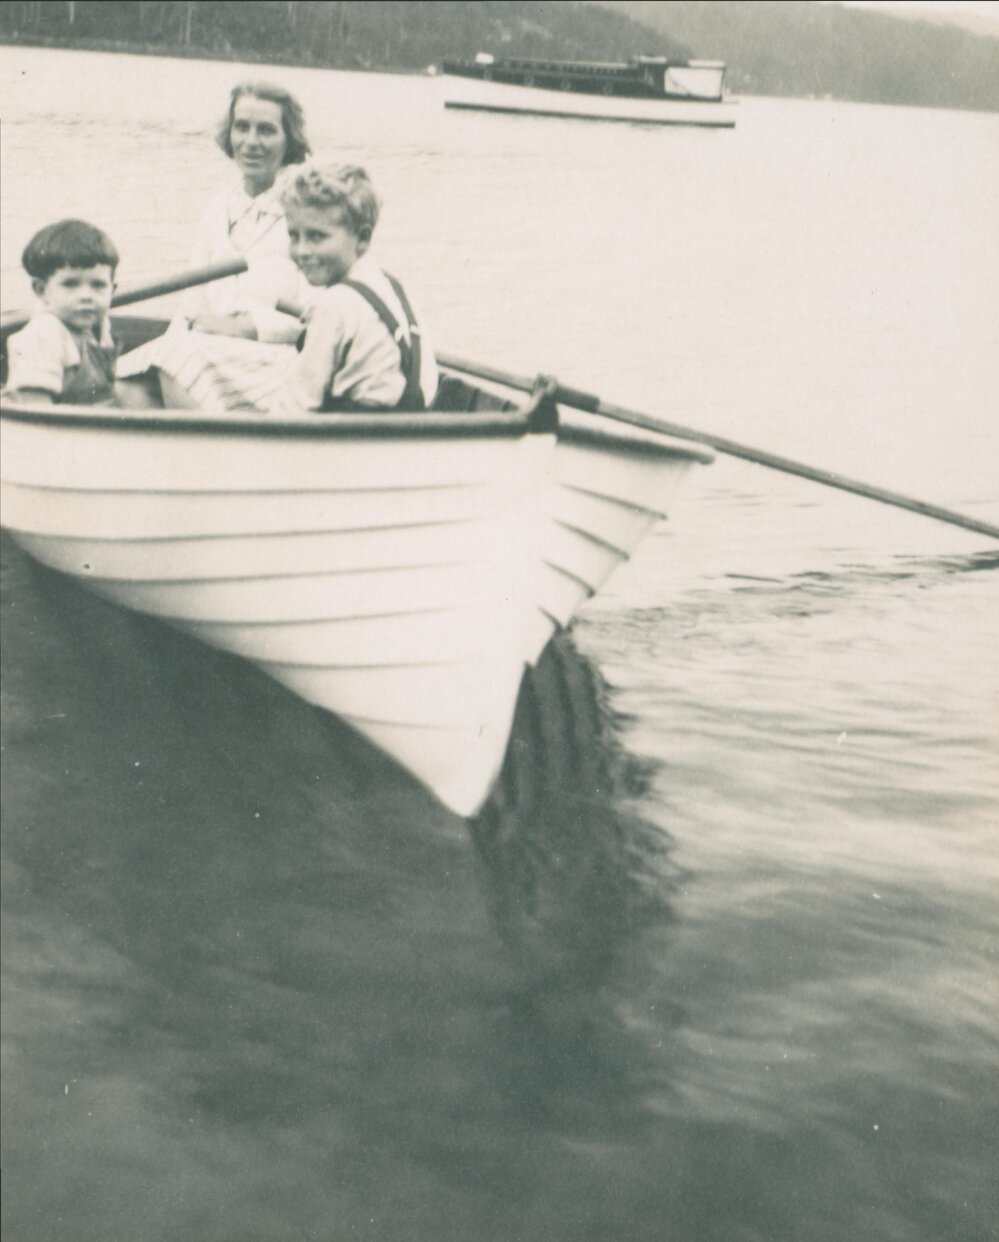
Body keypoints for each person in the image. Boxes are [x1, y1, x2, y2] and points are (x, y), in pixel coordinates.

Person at [279, 161, 438, 413]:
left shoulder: (335, 304)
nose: (302, 250)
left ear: (362, 238)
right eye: (293, 235)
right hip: (407, 428)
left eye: (317, 236)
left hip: (355, 440)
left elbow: (295, 405)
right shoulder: (390, 285)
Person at [181, 80, 317, 343]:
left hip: (275, 353)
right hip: (211, 348)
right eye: (242, 127)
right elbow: (192, 303)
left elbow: (319, 315)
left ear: (289, 140)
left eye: (266, 130)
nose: (251, 142)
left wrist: (245, 328)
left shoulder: (307, 209)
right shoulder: (217, 208)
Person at [3, 219, 119, 405]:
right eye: (70, 284)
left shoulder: (99, 322)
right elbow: (35, 408)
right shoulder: (44, 333)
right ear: (41, 289)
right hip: (53, 426)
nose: (86, 296)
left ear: (112, 290)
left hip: (91, 415)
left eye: (98, 285)